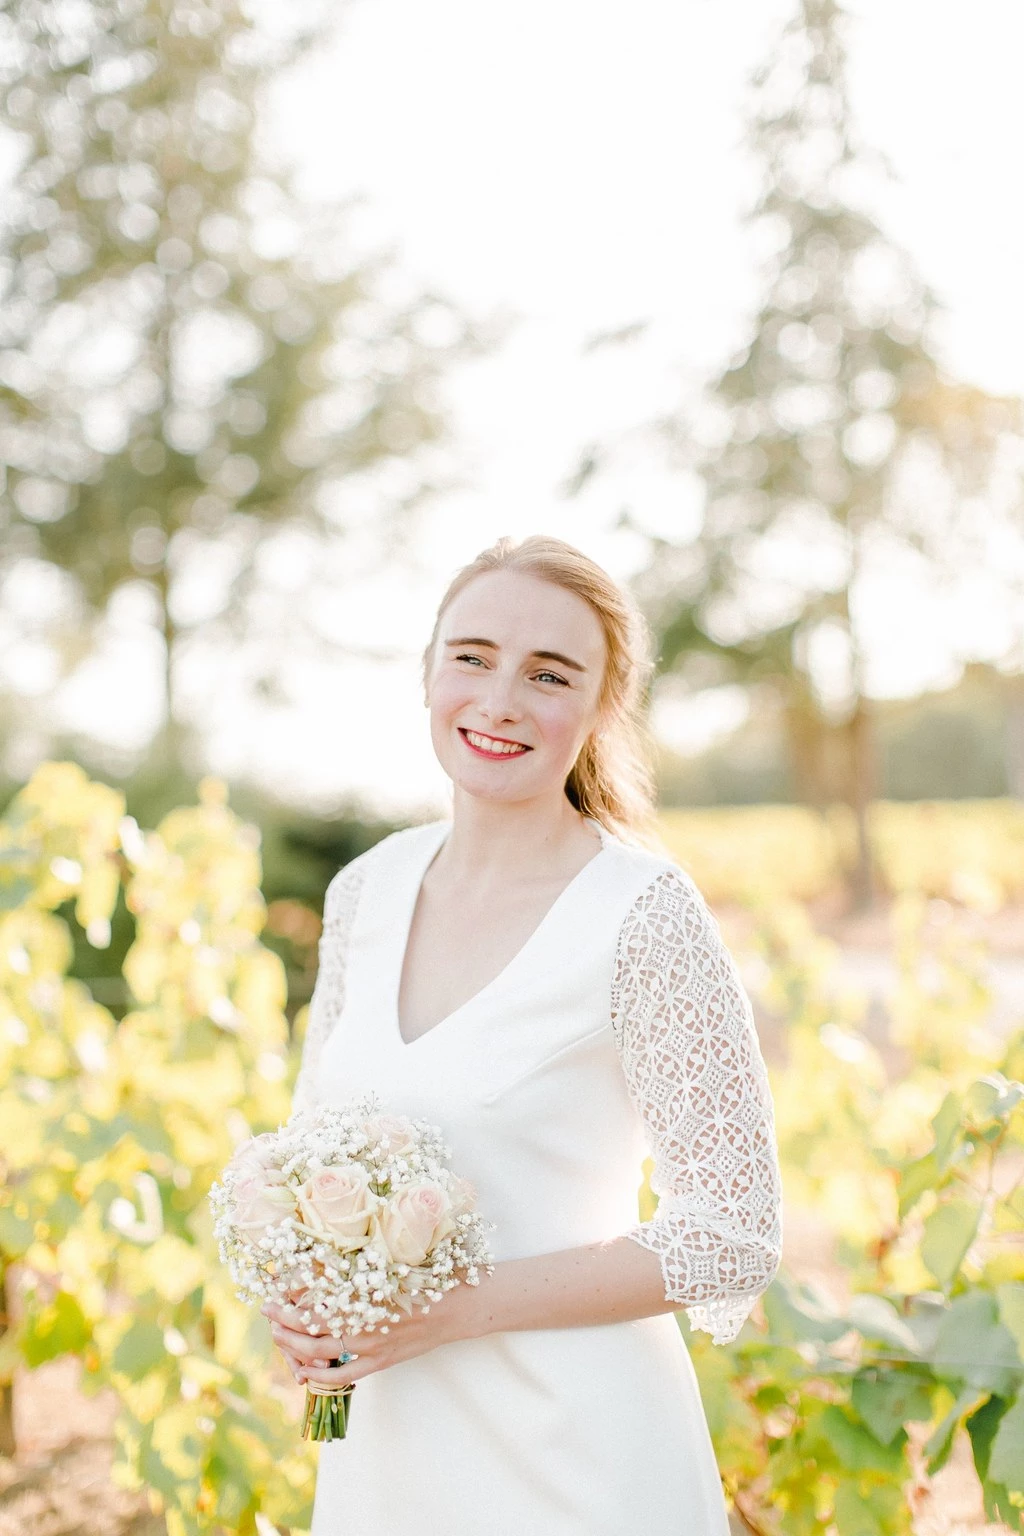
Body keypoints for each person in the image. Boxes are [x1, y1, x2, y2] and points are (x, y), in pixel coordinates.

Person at [262, 534, 783, 1535]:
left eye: (549, 674)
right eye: (472, 656)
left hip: (579, 1459)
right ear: (426, 676)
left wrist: (454, 1308)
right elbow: (308, 1156)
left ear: (597, 712)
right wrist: (303, 1301)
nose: (499, 700)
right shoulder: (364, 892)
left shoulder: (644, 915)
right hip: (386, 1458)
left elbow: (730, 1231)